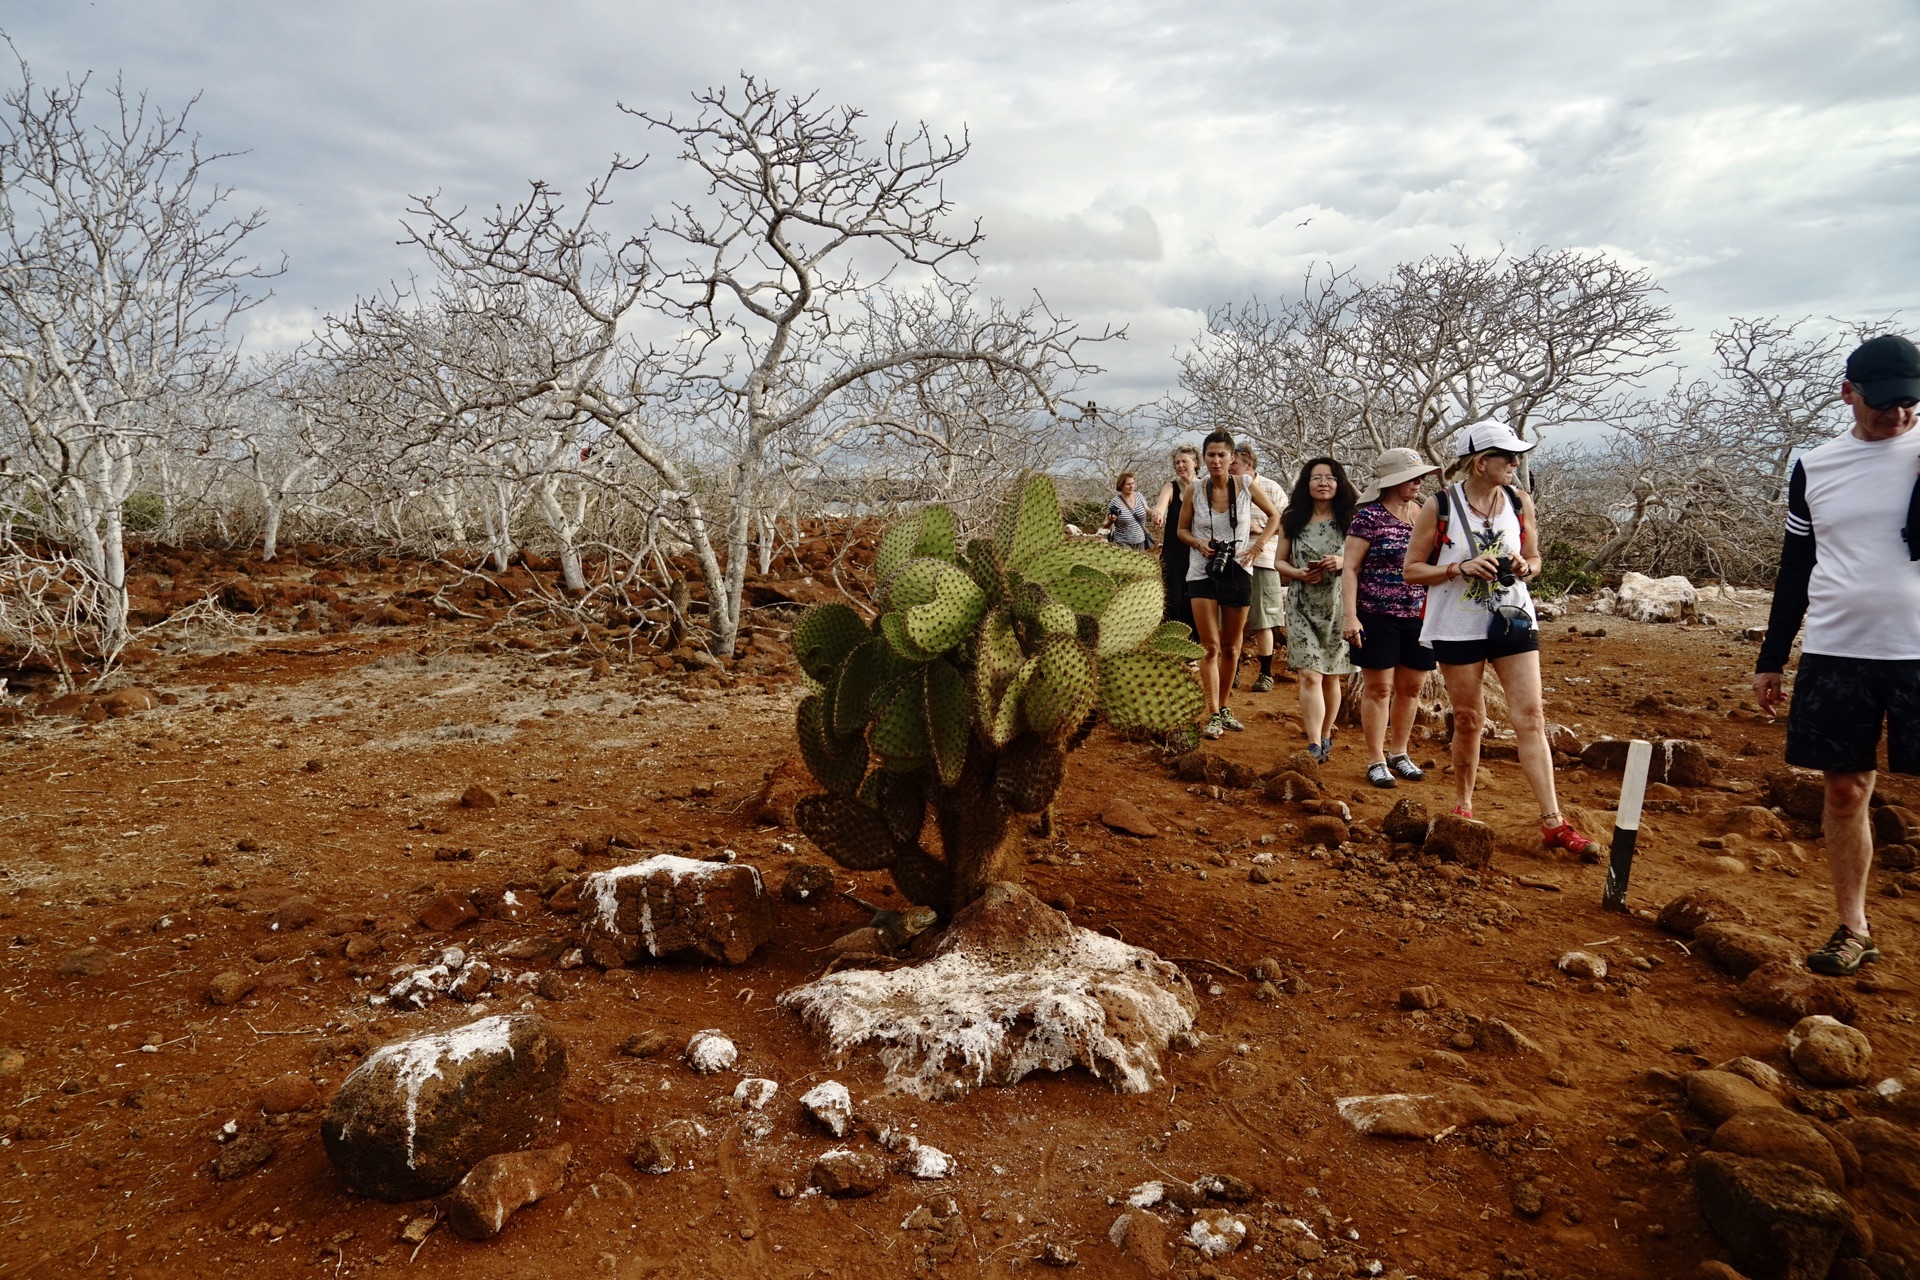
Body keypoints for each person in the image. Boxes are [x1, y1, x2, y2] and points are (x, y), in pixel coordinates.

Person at [1754, 333, 1920, 976]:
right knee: (1846, 790)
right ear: (1848, 393)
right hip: (1839, 647)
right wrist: (1772, 657)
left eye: (1910, 402)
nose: (1898, 415)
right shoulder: (1816, 466)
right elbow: (1796, 567)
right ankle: (1854, 926)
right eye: (1883, 402)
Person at [1403, 425, 1597, 855]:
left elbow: (1535, 558)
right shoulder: (1438, 505)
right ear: (1480, 462)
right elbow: (1412, 570)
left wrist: (1525, 568)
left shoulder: (1517, 499)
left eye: (1516, 457)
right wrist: (1460, 568)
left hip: (1513, 618)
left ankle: (1552, 821)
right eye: (1507, 457)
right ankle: (1464, 804)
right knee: (1469, 717)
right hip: (1457, 623)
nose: (1515, 463)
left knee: (1531, 715)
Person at [1341, 447, 1442, 788]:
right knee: (1379, 688)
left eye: (1420, 476)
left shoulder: (1426, 513)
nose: (1418, 482)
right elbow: (1350, 569)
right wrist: (1350, 616)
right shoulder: (1368, 517)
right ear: (1391, 481)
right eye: (1410, 477)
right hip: (1376, 614)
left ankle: (1400, 752)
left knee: (1412, 688)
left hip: (1419, 614)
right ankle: (1376, 758)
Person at [1178, 430, 1281, 739]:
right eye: (1211, 455)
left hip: (1238, 569)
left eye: (1222, 455)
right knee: (1209, 647)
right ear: (1204, 457)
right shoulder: (1195, 490)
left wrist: (1258, 546)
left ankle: (1223, 707)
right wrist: (1198, 543)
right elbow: (1181, 530)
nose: (1216, 460)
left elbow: (1275, 515)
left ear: (1232, 457)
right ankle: (1211, 712)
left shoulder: (1247, 486)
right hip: (1201, 571)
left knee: (1231, 647)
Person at [1273, 457, 1357, 763]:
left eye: (1330, 477)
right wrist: (1296, 574)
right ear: (1306, 484)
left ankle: (1325, 734)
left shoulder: (1352, 518)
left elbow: (1365, 560)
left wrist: (1341, 561)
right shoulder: (1292, 518)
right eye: (1316, 477)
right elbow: (1278, 561)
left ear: (1339, 483)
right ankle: (1312, 743)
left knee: (1332, 676)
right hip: (1301, 602)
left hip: (1339, 603)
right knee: (1309, 674)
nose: (1323, 482)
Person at [1232, 446, 1288, 693]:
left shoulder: (1272, 488)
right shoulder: (1225, 487)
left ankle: (1265, 673)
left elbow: (1285, 522)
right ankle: (1232, 670)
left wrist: (1260, 529)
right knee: (1231, 620)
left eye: (1234, 463)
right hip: (1233, 561)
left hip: (1264, 561)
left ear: (1249, 464)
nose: (1229, 467)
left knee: (1264, 619)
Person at [1151, 446, 1200, 632]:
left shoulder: (1205, 486)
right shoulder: (1171, 487)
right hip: (1174, 554)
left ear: (1195, 463)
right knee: (1174, 598)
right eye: (1177, 462)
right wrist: (1158, 515)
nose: (1180, 465)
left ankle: (1196, 647)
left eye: (1184, 461)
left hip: (1198, 552)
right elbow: (1160, 507)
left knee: (1195, 598)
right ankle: (1173, 645)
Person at [1102, 471, 1150, 550]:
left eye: (1133, 483)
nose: (1131, 486)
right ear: (1121, 486)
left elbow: (1147, 510)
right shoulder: (1115, 502)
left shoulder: (1139, 496)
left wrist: (1157, 513)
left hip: (1140, 541)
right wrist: (1111, 521)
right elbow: (1105, 525)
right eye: (1128, 484)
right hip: (1122, 542)